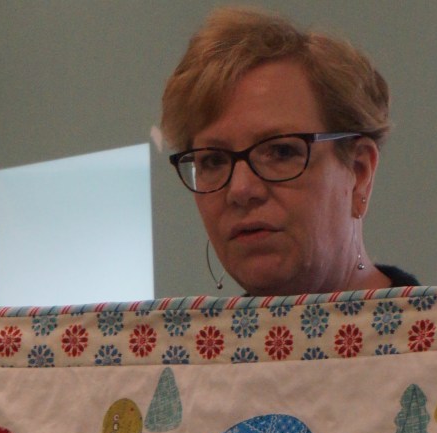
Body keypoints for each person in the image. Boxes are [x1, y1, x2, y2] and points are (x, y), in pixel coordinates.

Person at [161, 6, 419, 296]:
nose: (241, 190)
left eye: (281, 152)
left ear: (359, 173)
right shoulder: (178, 329)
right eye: (213, 160)